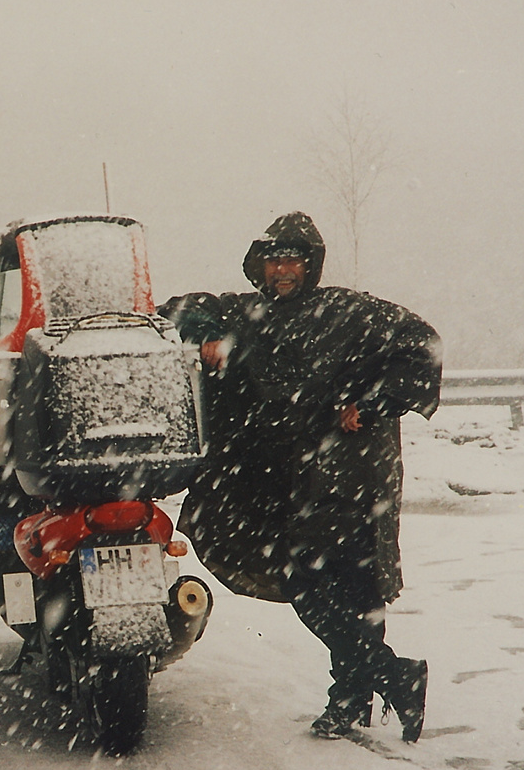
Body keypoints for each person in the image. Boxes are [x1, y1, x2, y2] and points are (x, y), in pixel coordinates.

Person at [158, 212, 442, 741]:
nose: (283, 270)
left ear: (311, 266)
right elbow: (179, 308)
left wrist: (374, 402)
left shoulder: (345, 312)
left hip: (346, 476)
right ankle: (371, 686)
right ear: (259, 267)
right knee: (320, 583)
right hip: (281, 483)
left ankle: (378, 684)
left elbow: (421, 344)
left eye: (293, 260)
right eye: (273, 260)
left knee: (338, 585)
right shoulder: (246, 314)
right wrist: (209, 335)